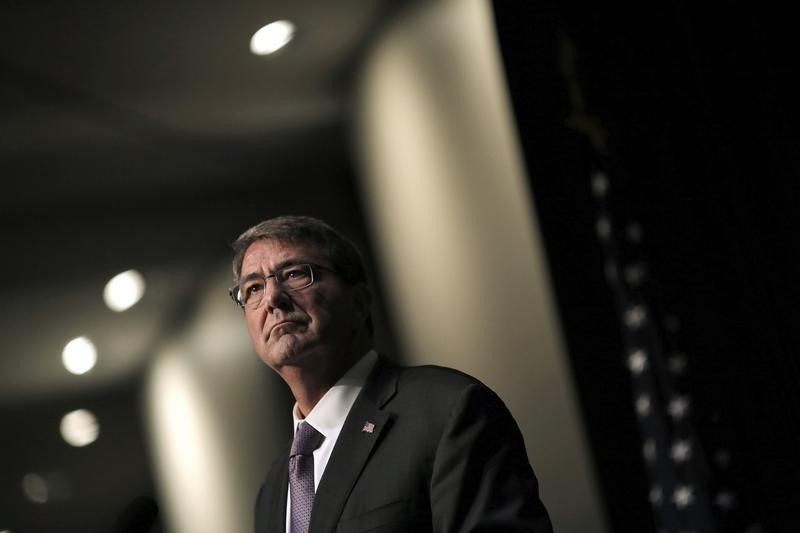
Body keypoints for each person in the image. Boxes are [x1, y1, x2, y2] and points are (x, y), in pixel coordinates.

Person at [229, 215, 553, 533]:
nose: (272, 298)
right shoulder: (273, 489)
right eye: (254, 288)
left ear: (358, 303)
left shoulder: (447, 411)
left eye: (295, 274)